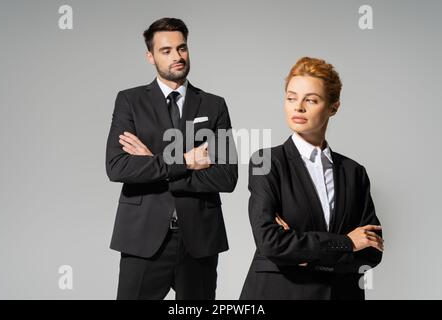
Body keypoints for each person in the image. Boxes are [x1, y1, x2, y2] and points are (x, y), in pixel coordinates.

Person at [105, 17, 238, 300]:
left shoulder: (214, 105)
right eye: (166, 51)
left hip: (199, 239)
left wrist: (152, 162)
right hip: (142, 237)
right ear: (150, 56)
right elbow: (117, 167)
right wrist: (186, 161)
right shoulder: (129, 101)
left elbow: (227, 176)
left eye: (182, 48)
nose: (177, 56)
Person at [240, 57, 383, 300]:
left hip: (341, 294)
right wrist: (346, 243)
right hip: (281, 293)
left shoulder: (354, 172)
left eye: (311, 100)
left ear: (333, 107)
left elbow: (372, 251)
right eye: (291, 97)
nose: (298, 107)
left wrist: (302, 254)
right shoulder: (266, 162)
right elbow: (271, 242)